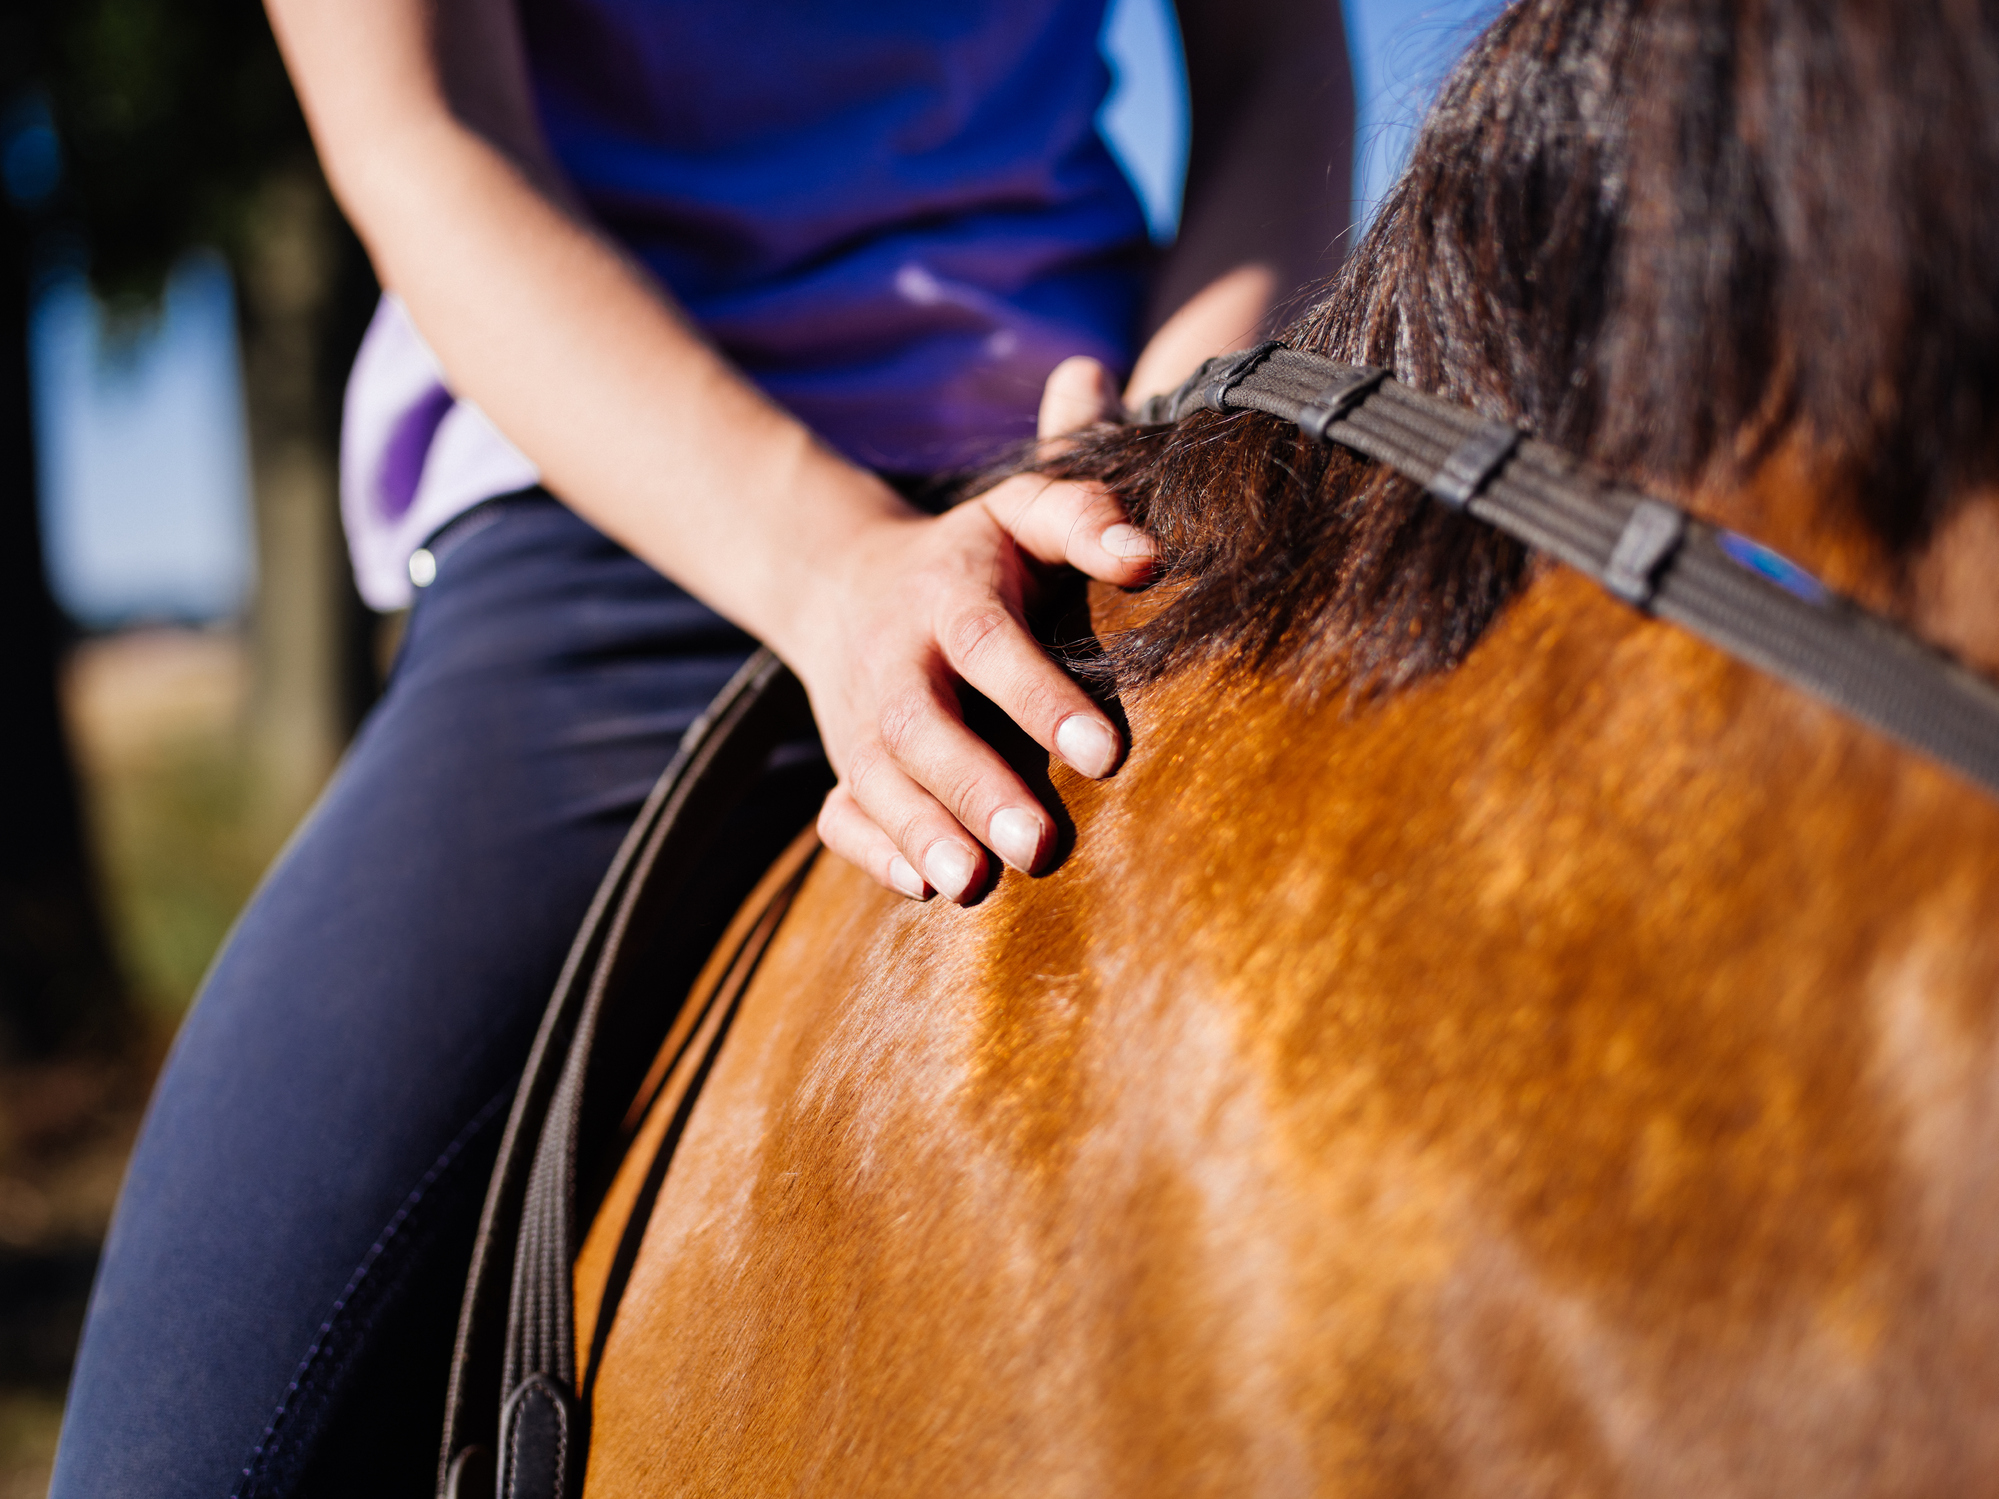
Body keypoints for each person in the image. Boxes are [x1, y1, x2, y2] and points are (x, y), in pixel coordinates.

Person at [49, 0, 1352, 1492]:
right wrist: (834, 568)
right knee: (192, 1454)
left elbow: (1281, 60)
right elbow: (423, 129)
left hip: (1093, 483)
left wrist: (1156, 444)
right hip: (621, 521)